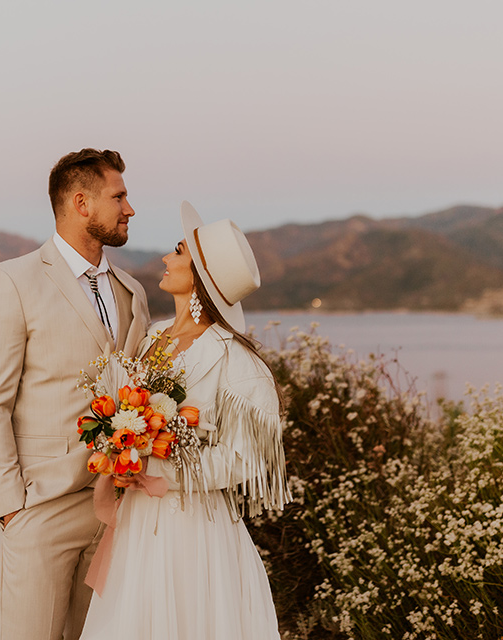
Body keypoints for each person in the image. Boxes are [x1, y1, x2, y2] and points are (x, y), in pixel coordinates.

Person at [79, 201, 291, 640]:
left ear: (202, 277)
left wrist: (162, 470)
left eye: (178, 251)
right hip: (138, 520)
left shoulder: (237, 360)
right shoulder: (152, 336)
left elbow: (244, 460)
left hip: (194, 528)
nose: (165, 257)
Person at [0, 148, 150, 640]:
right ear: (81, 202)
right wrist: (10, 508)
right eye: (120, 196)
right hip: (39, 507)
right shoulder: (13, 281)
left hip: (114, 507)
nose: (130, 208)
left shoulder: (132, 291)